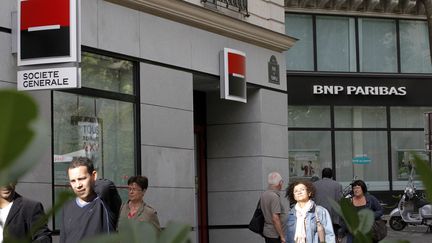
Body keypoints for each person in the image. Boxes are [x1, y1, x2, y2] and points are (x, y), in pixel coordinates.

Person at [60, 157, 122, 243]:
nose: (78, 185)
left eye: (82, 178)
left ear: (94, 175)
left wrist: (91, 184)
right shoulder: (67, 207)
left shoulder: (105, 200)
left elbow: (106, 186)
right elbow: (63, 239)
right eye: (73, 181)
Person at [313, 168, 343, 233]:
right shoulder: (337, 185)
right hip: (333, 216)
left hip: (318, 216)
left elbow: (312, 200)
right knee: (332, 235)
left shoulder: (314, 185)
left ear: (322, 175)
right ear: (331, 175)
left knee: (319, 236)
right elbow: (340, 200)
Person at [261, 172, 286, 243]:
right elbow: (275, 218)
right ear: (280, 183)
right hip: (275, 235)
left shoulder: (264, 194)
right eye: (282, 182)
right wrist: (282, 236)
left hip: (268, 232)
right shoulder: (274, 196)